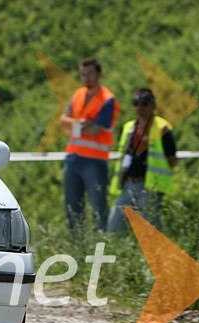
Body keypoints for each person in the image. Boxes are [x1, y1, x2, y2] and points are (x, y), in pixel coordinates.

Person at [59, 57, 119, 231]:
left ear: (99, 74)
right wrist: (82, 122)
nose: (86, 78)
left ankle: (101, 242)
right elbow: (62, 122)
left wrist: (74, 123)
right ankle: (77, 241)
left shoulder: (108, 100)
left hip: (95, 161)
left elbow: (95, 131)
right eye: (83, 74)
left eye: (90, 74)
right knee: (72, 206)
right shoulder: (78, 95)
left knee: (98, 207)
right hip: (73, 158)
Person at [107, 89, 177, 234]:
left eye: (144, 104)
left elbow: (172, 159)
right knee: (113, 228)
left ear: (153, 106)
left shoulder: (162, 128)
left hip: (148, 187)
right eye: (136, 104)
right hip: (127, 185)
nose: (140, 108)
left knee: (151, 232)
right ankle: (113, 249)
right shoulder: (129, 127)